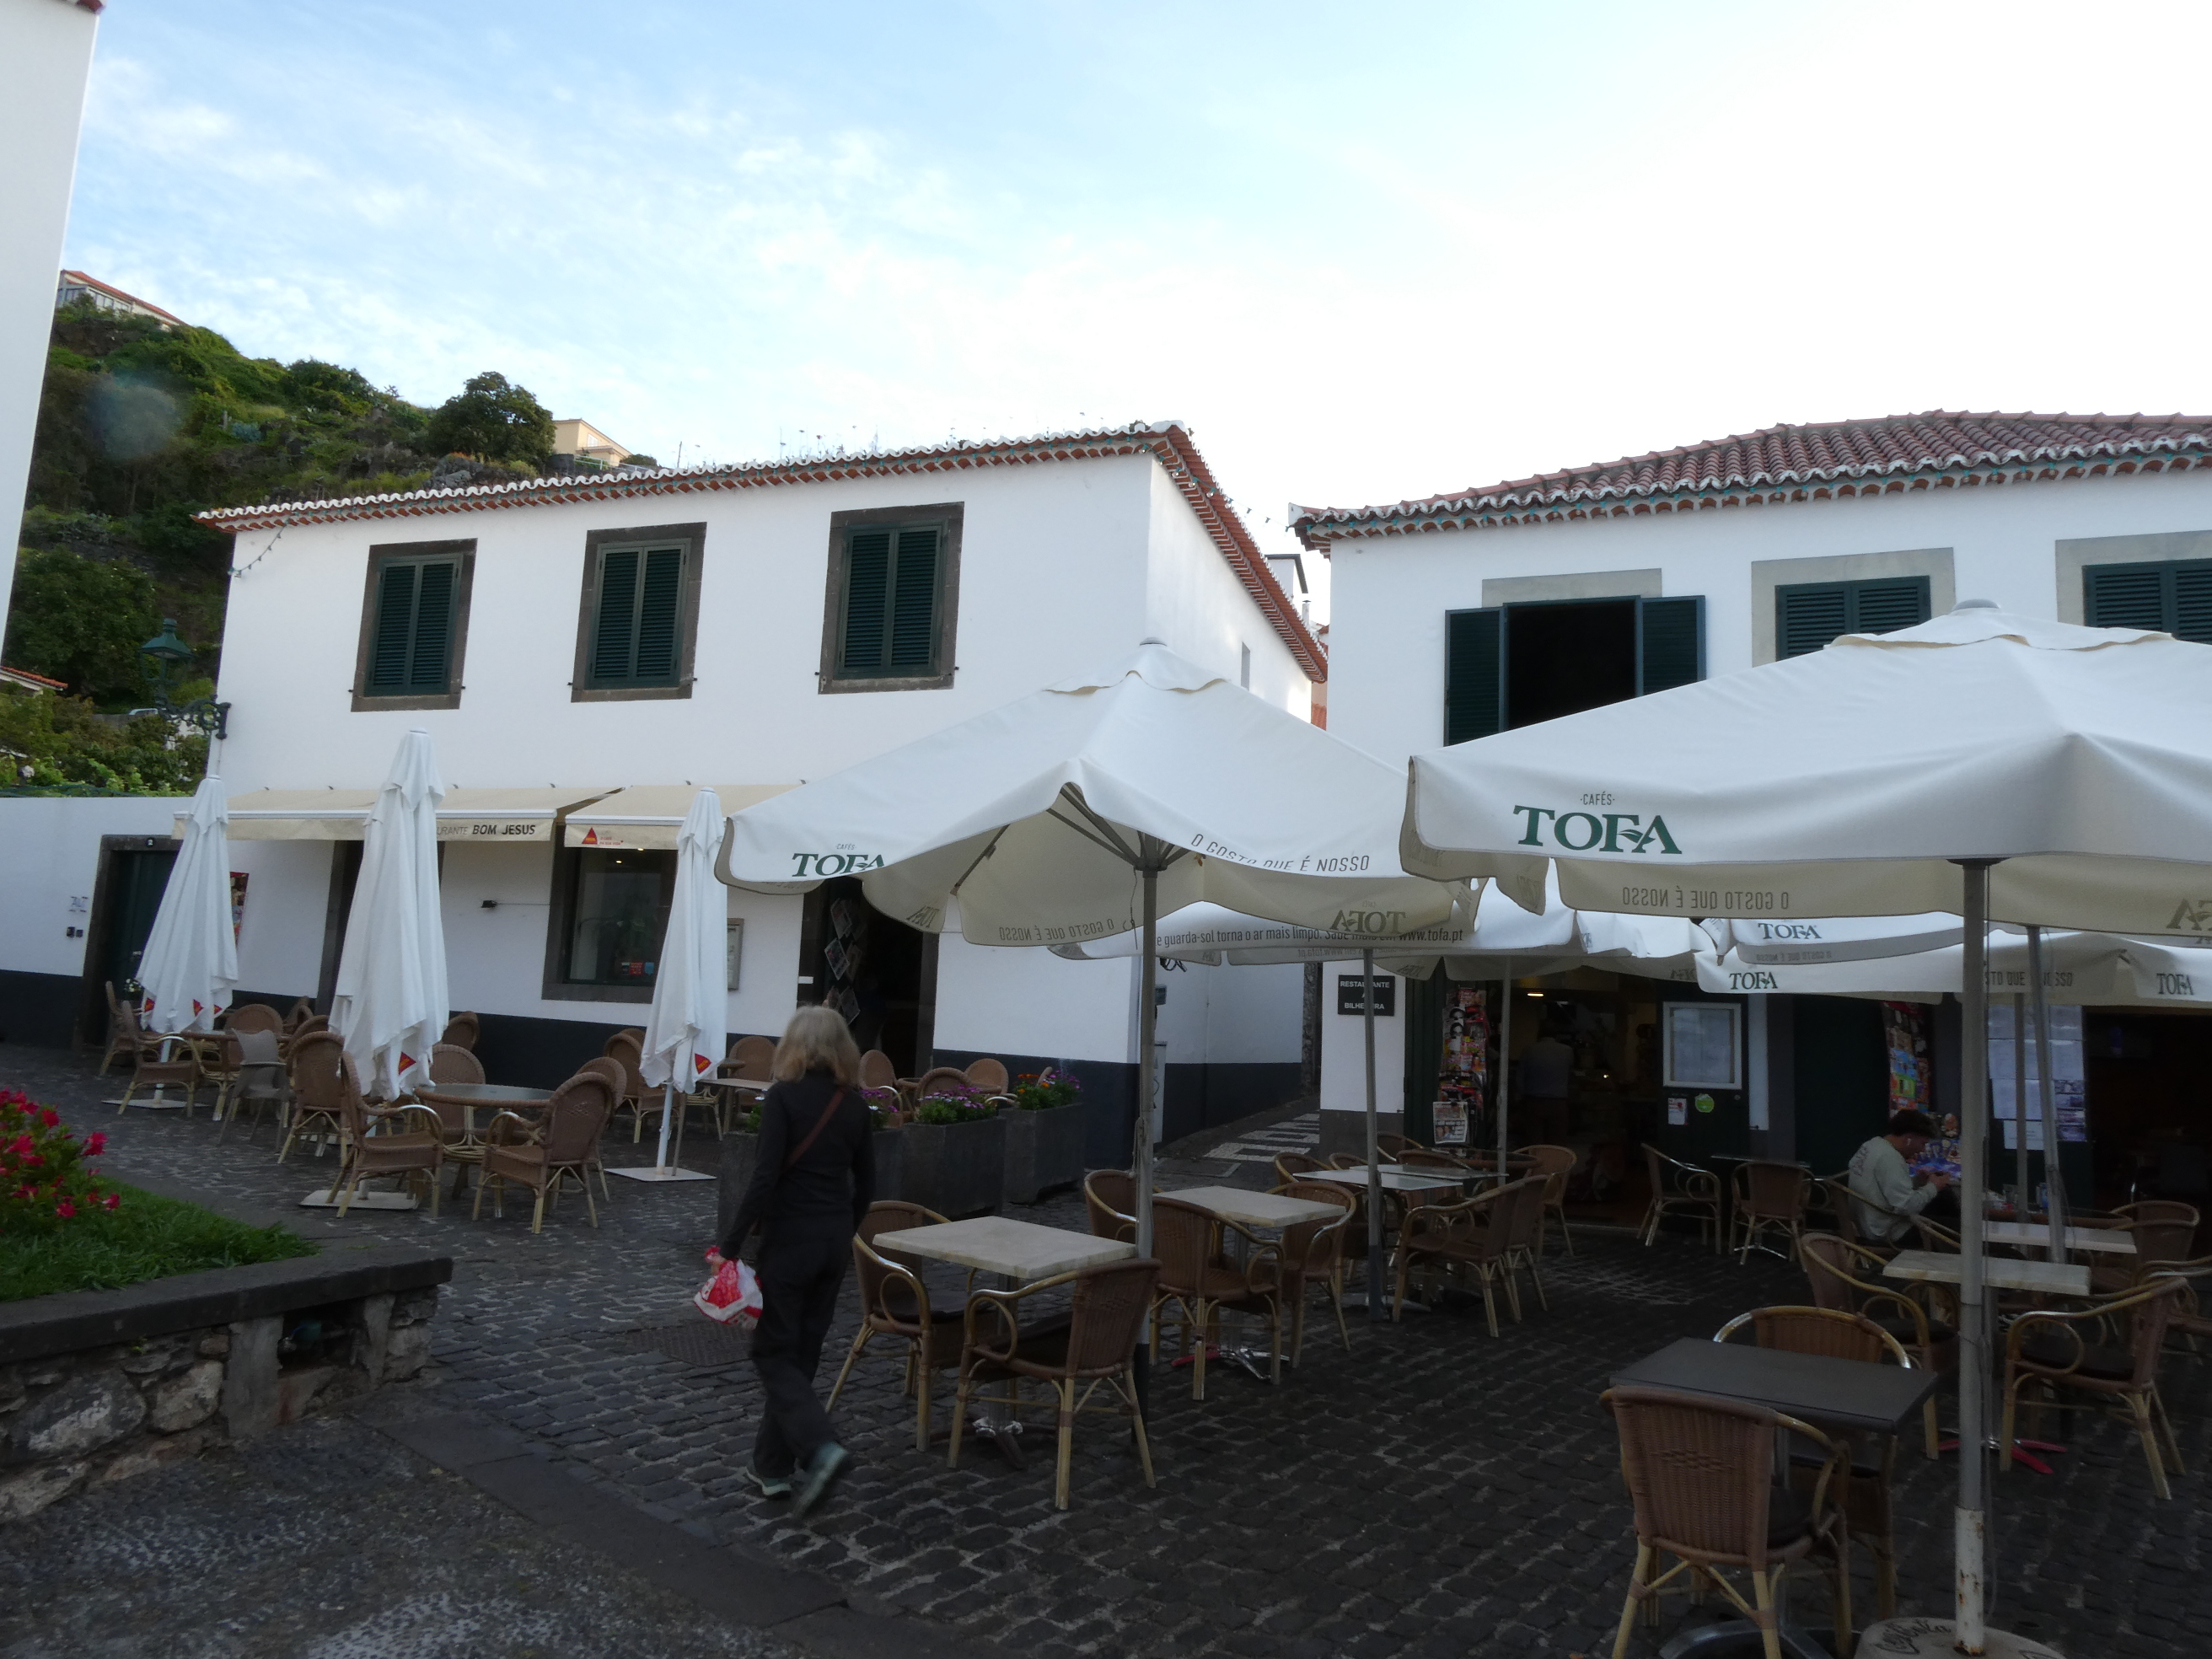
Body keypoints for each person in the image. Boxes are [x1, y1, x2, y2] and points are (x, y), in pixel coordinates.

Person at [717, 1004, 875, 1515]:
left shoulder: (783, 1098)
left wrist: (730, 1245)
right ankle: (771, 1468)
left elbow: (764, 1177)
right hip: (833, 1241)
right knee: (800, 1355)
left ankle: (820, 1446)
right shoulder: (855, 1106)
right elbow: (867, 1184)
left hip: (790, 1243)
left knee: (772, 1353)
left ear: (794, 1045)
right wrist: (843, 1228)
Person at [1847, 1109, 1952, 1244]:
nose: (1922, 1150)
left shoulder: (1872, 1144)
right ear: (1909, 1139)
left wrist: (1918, 1181)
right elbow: (1906, 1206)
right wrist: (1934, 1187)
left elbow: (1884, 1187)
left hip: (1868, 1224)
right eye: (1923, 1143)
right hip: (1889, 1232)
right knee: (1959, 1229)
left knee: (1939, 1208)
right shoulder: (1890, 1158)